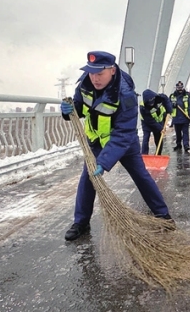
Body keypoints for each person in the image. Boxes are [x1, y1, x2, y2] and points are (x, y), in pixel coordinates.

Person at [60, 51, 173, 241]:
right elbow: (79, 107)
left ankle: (163, 215)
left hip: (124, 144)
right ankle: (81, 222)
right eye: (91, 73)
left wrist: (104, 162)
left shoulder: (125, 94)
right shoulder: (85, 85)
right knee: (87, 180)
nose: (95, 78)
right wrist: (68, 111)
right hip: (96, 142)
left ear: (112, 70)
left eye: (100, 74)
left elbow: (123, 133)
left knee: (141, 176)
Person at [140, 89, 172, 155]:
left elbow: (166, 100)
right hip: (146, 123)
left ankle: (158, 154)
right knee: (146, 138)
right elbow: (150, 121)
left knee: (159, 138)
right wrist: (160, 128)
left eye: (152, 102)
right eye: (149, 103)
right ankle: (144, 154)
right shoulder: (143, 107)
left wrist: (169, 110)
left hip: (159, 120)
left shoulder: (160, 97)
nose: (151, 104)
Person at [169, 81, 190, 152]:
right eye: (178, 87)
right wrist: (172, 105)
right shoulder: (172, 96)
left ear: (183, 88)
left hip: (185, 118)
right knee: (178, 133)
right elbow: (168, 105)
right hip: (176, 118)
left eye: (181, 87)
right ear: (176, 88)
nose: (180, 89)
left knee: (185, 132)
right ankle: (178, 144)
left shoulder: (187, 96)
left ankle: (186, 145)